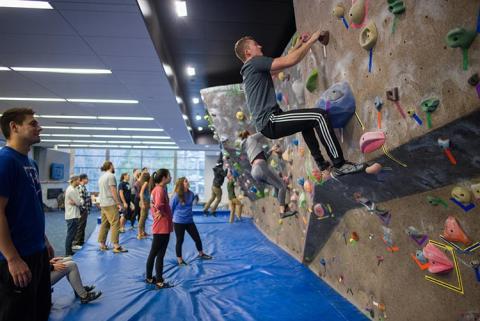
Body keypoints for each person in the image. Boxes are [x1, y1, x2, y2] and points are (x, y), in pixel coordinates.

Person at [234, 33, 366, 178]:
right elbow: (290, 61)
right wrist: (314, 39)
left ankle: (323, 166)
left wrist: (299, 45)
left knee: (307, 123)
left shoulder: (250, 71)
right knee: (319, 116)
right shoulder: (254, 63)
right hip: (271, 121)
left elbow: (280, 65)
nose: (260, 46)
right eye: (255, 44)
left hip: (269, 123)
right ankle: (340, 165)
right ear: (248, 52)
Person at [0, 108, 55, 321]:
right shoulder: (5, 161)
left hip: (37, 252)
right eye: (32, 123)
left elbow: (31, 207)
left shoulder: (30, 164)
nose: (39, 127)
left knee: (39, 311)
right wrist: (12, 258)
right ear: (14, 127)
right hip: (16, 256)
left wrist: (44, 240)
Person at [239, 130, 296, 219]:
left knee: (276, 186)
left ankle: (283, 207)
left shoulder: (248, 148)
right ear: (248, 134)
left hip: (255, 171)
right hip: (260, 167)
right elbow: (264, 132)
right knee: (282, 186)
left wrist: (271, 150)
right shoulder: (250, 138)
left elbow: (263, 157)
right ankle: (282, 212)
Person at [172, 177, 212, 266]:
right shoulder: (176, 195)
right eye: (186, 181)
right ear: (182, 184)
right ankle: (180, 260)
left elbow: (192, 204)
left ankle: (201, 253)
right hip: (178, 221)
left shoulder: (191, 194)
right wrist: (170, 222)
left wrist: (196, 200)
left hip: (189, 220)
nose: (188, 182)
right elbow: (171, 208)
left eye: (187, 181)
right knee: (180, 240)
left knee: (197, 238)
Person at [145, 169, 174, 289]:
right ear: (164, 178)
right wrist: (159, 211)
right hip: (162, 226)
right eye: (169, 176)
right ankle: (159, 281)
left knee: (155, 253)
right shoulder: (160, 190)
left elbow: (157, 204)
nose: (171, 178)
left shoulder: (157, 189)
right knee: (159, 254)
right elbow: (158, 204)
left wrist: (159, 211)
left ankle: (150, 277)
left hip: (161, 226)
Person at [97, 161, 128, 253]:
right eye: (113, 165)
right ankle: (116, 246)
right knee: (115, 223)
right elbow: (113, 190)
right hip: (110, 203)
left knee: (105, 224)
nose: (114, 167)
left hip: (103, 203)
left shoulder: (101, 177)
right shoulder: (111, 176)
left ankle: (102, 244)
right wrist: (119, 203)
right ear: (110, 166)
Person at [64, 175, 83, 256]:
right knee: (70, 235)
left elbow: (78, 201)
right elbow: (80, 202)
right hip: (71, 215)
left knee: (72, 234)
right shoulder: (71, 190)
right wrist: (79, 202)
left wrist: (77, 202)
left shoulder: (73, 189)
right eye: (79, 180)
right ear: (75, 180)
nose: (80, 182)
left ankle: (69, 251)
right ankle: (68, 253)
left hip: (73, 215)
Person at [72, 174, 91, 250]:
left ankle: (81, 242)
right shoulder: (80, 187)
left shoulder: (83, 187)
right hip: (82, 210)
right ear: (83, 179)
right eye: (87, 179)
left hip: (85, 210)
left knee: (83, 226)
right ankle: (76, 242)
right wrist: (83, 209)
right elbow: (80, 200)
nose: (88, 180)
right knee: (80, 226)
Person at [137, 172, 151, 239]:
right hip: (144, 202)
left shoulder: (147, 183)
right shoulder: (145, 183)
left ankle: (143, 232)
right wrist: (142, 203)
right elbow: (141, 193)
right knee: (142, 218)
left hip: (147, 202)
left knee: (145, 218)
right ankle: (139, 233)